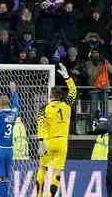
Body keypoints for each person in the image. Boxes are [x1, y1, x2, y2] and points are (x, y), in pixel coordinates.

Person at [35, 64, 77, 197]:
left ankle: (39, 195)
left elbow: (41, 126)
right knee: (57, 171)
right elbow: (73, 91)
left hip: (48, 142)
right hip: (62, 142)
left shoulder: (44, 109)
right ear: (60, 96)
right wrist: (67, 77)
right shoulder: (67, 105)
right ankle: (50, 196)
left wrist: (41, 142)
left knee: (43, 167)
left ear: (50, 96)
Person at [0, 83, 20, 197]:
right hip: (9, 149)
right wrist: (13, 92)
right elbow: (17, 106)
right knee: (5, 176)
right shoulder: (13, 113)